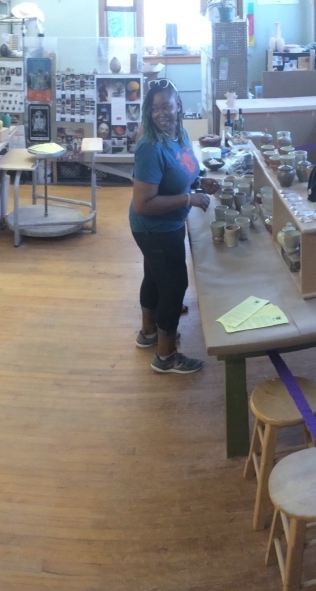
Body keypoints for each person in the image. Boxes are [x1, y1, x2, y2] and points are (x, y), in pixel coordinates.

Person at [130, 79, 212, 374]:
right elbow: (143, 203)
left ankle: (148, 333)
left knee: (154, 278)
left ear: (179, 107)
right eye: (155, 108)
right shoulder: (150, 147)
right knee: (174, 286)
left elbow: (182, 168)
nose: (161, 114)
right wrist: (188, 198)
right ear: (148, 112)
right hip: (154, 228)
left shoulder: (180, 133)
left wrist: (199, 182)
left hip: (168, 224)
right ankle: (165, 357)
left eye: (166, 106)